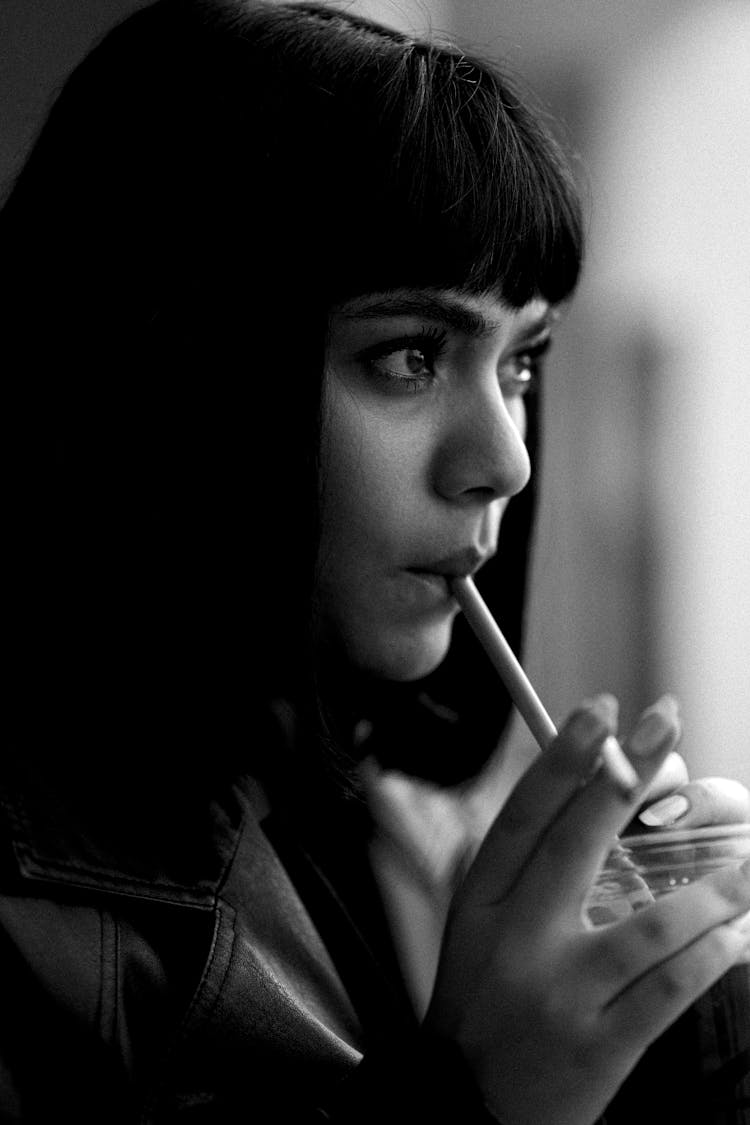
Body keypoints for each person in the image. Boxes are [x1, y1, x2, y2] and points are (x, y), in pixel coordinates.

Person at [1, 1, 749, 1121]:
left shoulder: (377, 822)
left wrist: (685, 1043)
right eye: (409, 354)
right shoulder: (33, 916)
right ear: (176, 370)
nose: (505, 461)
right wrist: (474, 1096)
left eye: (522, 365)